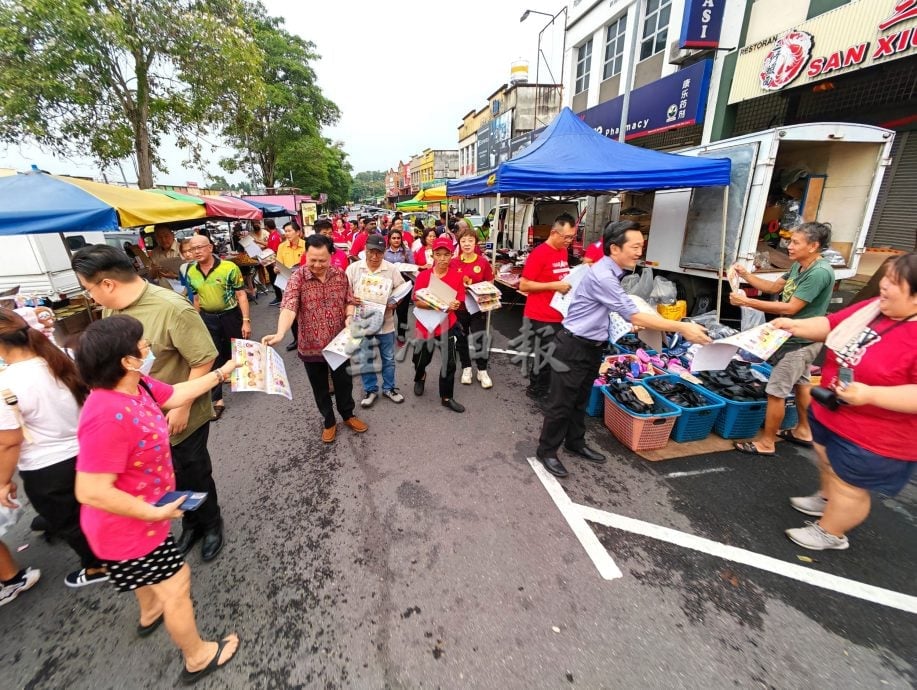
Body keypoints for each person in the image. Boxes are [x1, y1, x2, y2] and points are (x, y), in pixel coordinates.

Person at [74, 315, 240, 684]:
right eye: (141, 344)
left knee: (149, 583)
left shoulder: (138, 384)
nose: (148, 346)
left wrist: (223, 372)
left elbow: (177, 394)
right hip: (128, 526)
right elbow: (90, 490)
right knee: (177, 583)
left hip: (140, 515)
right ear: (126, 360)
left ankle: (149, 613)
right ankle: (198, 657)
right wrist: (153, 512)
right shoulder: (105, 416)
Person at [70, 245, 225, 562]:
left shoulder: (172, 308)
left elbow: (204, 357)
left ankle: (211, 524)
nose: (91, 297)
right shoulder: (112, 311)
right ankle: (190, 524)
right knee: (166, 476)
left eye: (89, 290)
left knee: (193, 472)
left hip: (179, 411)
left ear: (108, 284)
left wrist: (181, 407)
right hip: (139, 419)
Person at [536, 222, 712, 479]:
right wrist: (681, 328)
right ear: (615, 248)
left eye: (642, 246)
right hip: (574, 346)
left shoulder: (611, 272)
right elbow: (632, 312)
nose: (639, 252)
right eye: (635, 246)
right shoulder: (603, 275)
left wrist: (630, 322)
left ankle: (575, 442)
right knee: (561, 403)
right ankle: (547, 451)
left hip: (591, 346)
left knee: (580, 400)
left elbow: (617, 309)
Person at [771, 252, 917, 551]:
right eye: (886, 278)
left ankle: (831, 532)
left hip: (876, 434)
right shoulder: (876, 308)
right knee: (829, 463)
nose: (884, 287)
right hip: (832, 410)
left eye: (894, 282)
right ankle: (827, 498)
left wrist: (870, 395)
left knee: (849, 485)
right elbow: (831, 324)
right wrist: (792, 326)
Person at [0, 309, 106, 587]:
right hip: (89, 451)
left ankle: (97, 567)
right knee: (98, 507)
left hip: (47, 469)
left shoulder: (6, 383)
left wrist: (2, 482)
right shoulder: (60, 357)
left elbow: (9, 441)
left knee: (71, 521)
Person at [730, 222, 835, 456]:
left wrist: (748, 302)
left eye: (796, 242)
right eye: (791, 240)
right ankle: (804, 431)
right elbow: (772, 286)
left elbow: (791, 308)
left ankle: (767, 443)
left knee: (776, 391)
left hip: (801, 339)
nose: (789, 246)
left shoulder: (819, 273)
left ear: (814, 246)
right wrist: (746, 275)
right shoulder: (799, 266)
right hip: (794, 337)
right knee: (802, 383)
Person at [262, 235, 368, 444]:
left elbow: (349, 301)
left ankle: (348, 414)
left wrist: (349, 316)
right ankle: (329, 421)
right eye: (312, 260)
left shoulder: (340, 275)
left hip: (339, 343)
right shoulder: (297, 278)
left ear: (331, 256)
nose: (317, 265)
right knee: (319, 387)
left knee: (344, 383)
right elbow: (289, 306)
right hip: (311, 345)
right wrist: (281, 332)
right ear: (306, 255)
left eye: (322, 260)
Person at [185, 235, 251, 419]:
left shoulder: (229, 267)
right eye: (192, 249)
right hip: (208, 318)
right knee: (212, 356)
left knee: (237, 349)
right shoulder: (191, 271)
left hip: (231, 315)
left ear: (210, 247)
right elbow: (196, 298)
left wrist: (246, 320)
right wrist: (195, 321)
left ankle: (243, 377)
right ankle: (217, 400)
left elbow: (241, 295)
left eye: (200, 247)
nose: (196, 251)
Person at [346, 234, 406, 408]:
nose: (374, 257)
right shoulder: (354, 269)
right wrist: (351, 298)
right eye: (371, 252)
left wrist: (394, 303)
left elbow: (401, 289)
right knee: (365, 358)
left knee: (388, 358)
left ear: (384, 252)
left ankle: (389, 388)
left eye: (378, 253)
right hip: (362, 323)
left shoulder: (391, 269)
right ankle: (370, 389)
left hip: (385, 323)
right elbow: (344, 291)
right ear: (365, 249)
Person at [519, 213, 575, 401]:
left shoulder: (563, 251)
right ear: (554, 233)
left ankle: (545, 388)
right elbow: (524, 285)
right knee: (545, 356)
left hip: (559, 313)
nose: (569, 241)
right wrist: (554, 286)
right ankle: (536, 390)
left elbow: (561, 277)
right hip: (540, 315)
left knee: (554, 356)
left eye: (571, 237)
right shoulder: (539, 253)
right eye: (566, 237)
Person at [412, 236, 466, 413]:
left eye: (446, 254)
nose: (442, 258)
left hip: (447, 325)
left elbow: (459, 299)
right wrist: (439, 305)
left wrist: (455, 305)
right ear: (432, 255)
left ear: (452, 255)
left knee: (449, 363)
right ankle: (420, 376)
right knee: (420, 360)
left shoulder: (457, 276)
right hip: (425, 326)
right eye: (438, 254)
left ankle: (446, 397)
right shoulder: (423, 276)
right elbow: (417, 302)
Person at [451, 227, 493, 389]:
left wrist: (482, 291)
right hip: (460, 307)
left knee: (480, 338)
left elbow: (490, 282)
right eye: (463, 241)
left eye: (470, 240)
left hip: (477, 308)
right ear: (459, 243)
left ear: (476, 242)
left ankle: (482, 370)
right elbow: (450, 282)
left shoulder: (482, 262)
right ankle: (466, 368)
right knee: (461, 339)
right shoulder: (454, 262)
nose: (467, 244)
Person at [276, 222, 306, 352]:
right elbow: (278, 264)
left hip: (305, 284)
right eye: (285, 231)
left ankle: (308, 338)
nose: (286, 234)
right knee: (291, 311)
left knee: (305, 312)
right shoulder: (282, 247)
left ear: (298, 232)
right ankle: (296, 339)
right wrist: (276, 269)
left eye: (289, 231)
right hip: (288, 285)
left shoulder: (306, 245)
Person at [384, 229, 415, 345]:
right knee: (388, 312)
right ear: (389, 240)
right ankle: (388, 335)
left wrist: (404, 268)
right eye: (394, 238)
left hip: (404, 283)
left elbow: (413, 267)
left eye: (398, 238)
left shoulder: (407, 252)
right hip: (388, 285)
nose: (396, 240)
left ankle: (401, 335)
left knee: (402, 312)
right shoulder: (385, 253)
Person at [265, 219, 284, 306]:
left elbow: (275, 251)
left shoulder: (274, 236)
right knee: (274, 280)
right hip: (270, 261)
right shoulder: (272, 235)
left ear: (266, 226)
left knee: (275, 280)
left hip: (272, 262)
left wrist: (273, 263)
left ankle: (279, 298)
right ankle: (279, 297)